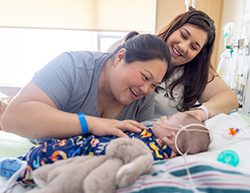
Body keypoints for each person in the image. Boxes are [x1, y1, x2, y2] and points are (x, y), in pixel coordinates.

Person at [1, 34, 171, 139]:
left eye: (153, 85)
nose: (145, 90)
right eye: (145, 77)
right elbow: (12, 119)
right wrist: (91, 123)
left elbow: (144, 143)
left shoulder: (144, 98)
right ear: (120, 57)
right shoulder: (73, 65)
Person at [0, 112, 210, 184]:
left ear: (171, 136)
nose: (163, 117)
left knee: (51, 158)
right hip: (84, 142)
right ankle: (25, 160)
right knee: (52, 146)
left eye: (169, 118)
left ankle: (25, 173)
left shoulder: (154, 151)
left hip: (86, 154)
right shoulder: (150, 134)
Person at [107, 10, 239, 122]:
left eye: (193, 47)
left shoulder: (195, 73)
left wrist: (200, 113)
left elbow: (230, 100)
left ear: (199, 54)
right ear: (173, 27)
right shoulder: (136, 44)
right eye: (183, 35)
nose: (183, 47)